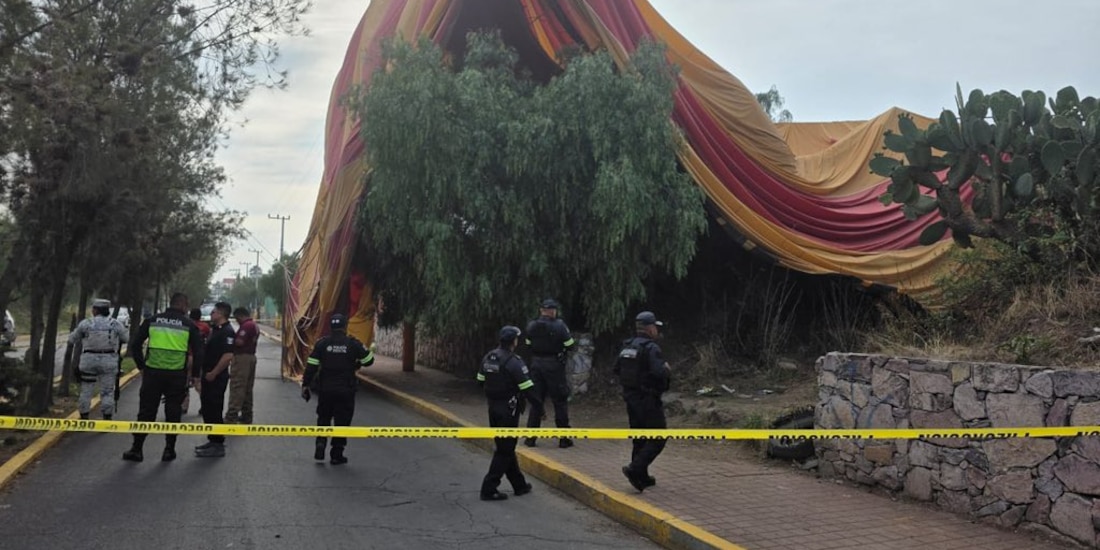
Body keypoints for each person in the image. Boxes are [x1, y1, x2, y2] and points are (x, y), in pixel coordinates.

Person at [123, 292, 204, 462]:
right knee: (173, 412)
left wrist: (141, 367)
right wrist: (195, 375)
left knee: (146, 412)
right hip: (176, 375)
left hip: (152, 373)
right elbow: (198, 352)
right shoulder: (189, 324)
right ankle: (169, 450)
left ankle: (137, 449)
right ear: (183, 305)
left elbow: (136, 345)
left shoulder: (152, 320)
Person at [301, 313, 374, 464]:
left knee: (323, 418)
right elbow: (369, 360)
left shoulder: (322, 343)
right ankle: (336, 454)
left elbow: (311, 366)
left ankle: (321, 443)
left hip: (326, 390)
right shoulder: (353, 344)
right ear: (345, 327)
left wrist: (305, 385)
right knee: (342, 423)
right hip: (345, 391)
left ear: (331, 327)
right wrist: (358, 361)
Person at [478, 326, 541, 501]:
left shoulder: (489, 357)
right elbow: (528, 388)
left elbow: (480, 380)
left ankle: (519, 485)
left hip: (493, 408)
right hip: (508, 410)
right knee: (504, 450)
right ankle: (489, 488)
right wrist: (539, 408)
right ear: (514, 341)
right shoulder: (514, 361)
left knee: (506, 446)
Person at [613, 311, 671, 492]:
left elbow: (616, 369)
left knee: (639, 438)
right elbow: (659, 373)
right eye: (655, 327)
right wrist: (666, 370)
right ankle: (635, 469)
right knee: (658, 438)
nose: (657, 330)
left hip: (631, 399)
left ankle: (642, 476)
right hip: (648, 399)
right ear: (649, 328)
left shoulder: (627, 346)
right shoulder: (651, 348)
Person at [523, 298, 576, 448]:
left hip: (536, 365)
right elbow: (570, 345)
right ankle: (563, 439)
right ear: (553, 311)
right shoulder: (559, 326)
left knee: (536, 401)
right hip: (554, 366)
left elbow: (528, 344)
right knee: (559, 401)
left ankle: (531, 438)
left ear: (541, 310)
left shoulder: (531, 325)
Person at [68, 299, 129, 420]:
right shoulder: (115, 324)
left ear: (95, 310)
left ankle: (84, 416)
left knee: (86, 389)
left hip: (88, 361)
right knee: (107, 391)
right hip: (109, 361)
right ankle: (106, 417)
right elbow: (126, 338)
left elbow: (71, 339)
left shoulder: (86, 323)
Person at [194, 302, 235, 458]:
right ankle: (212, 440)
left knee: (215, 409)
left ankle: (218, 443)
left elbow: (228, 356)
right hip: (208, 374)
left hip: (216, 377)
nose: (211, 314)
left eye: (214, 312)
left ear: (222, 314)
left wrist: (214, 372)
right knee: (208, 409)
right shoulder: (215, 330)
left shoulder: (227, 331)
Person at [225, 306, 259, 424]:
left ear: (240, 316)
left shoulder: (246, 326)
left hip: (242, 358)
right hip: (251, 357)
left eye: (237, 318)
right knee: (247, 389)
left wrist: (229, 341)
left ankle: (231, 416)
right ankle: (247, 415)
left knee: (237, 387)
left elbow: (239, 342)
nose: (237, 321)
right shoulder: (253, 325)